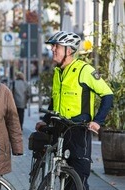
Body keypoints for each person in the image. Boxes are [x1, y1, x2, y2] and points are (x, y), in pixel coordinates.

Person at [35, 31, 113, 190]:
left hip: (78, 131)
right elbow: (55, 101)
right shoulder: (58, 72)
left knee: (78, 180)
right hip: (59, 130)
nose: (53, 49)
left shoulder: (84, 70)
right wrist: (45, 119)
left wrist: (97, 121)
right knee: (56, 174)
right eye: (53, 46)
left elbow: (108, 94)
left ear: (69, 50)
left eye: (57, 46)